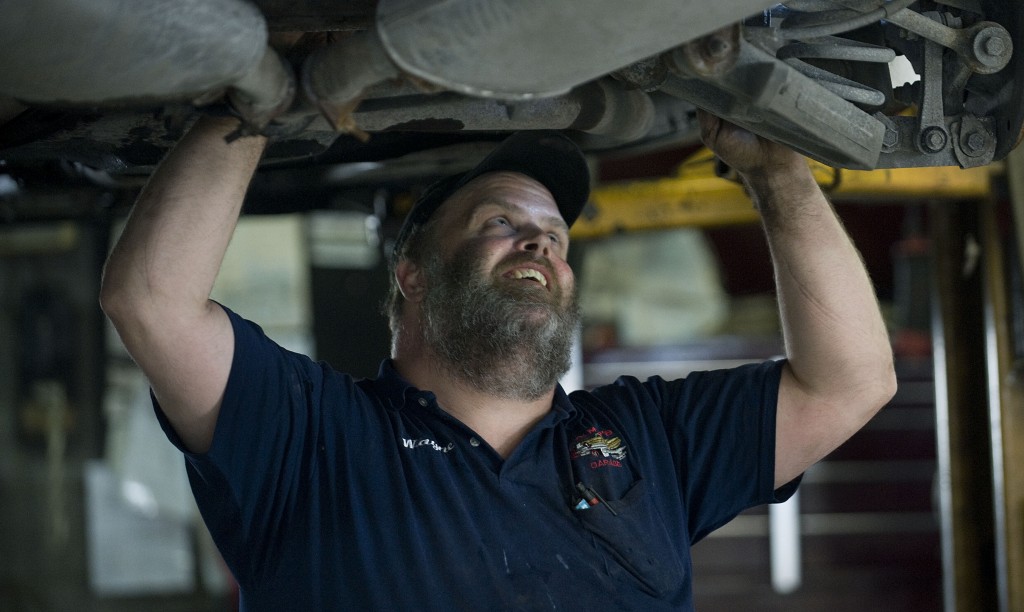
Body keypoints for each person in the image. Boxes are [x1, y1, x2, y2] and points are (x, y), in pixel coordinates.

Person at [100, 110, 896, 611]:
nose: (540, 243)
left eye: (555, 237)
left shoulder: (645, 438)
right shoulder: (312, 438)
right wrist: (258, 103)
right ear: (412, 274)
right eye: (500, 223)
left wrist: (778, 175)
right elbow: (151, 301)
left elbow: (851, 382)